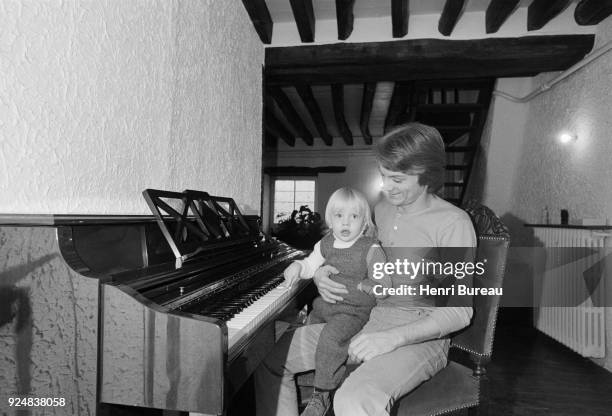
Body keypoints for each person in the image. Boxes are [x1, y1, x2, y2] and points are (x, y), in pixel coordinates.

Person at [255, 123, 477, 416]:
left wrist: (392, 338)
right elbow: (349, 253)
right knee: (269, 361)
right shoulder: (381, 208)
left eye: (397, 179)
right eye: (384, 176)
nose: (387, 186)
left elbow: (460, 311)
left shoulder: (453, 223)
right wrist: (321, 273)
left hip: (421, 336)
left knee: (354, 400)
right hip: (364, 320)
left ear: (427, 174)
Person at [282, 187, 390, 416]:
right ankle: (311, 384)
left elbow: (384, 281)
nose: (346, 223)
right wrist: (297, 266)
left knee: (330, 338)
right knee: (308, 325)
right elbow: (310, 264)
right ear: (330, 219)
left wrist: (373, 285)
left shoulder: (370, 247)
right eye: (339, 215)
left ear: (364, 222)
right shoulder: (326, 243)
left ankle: (322, 393)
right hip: (325, 307)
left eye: (354, 216)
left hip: (353, 312)